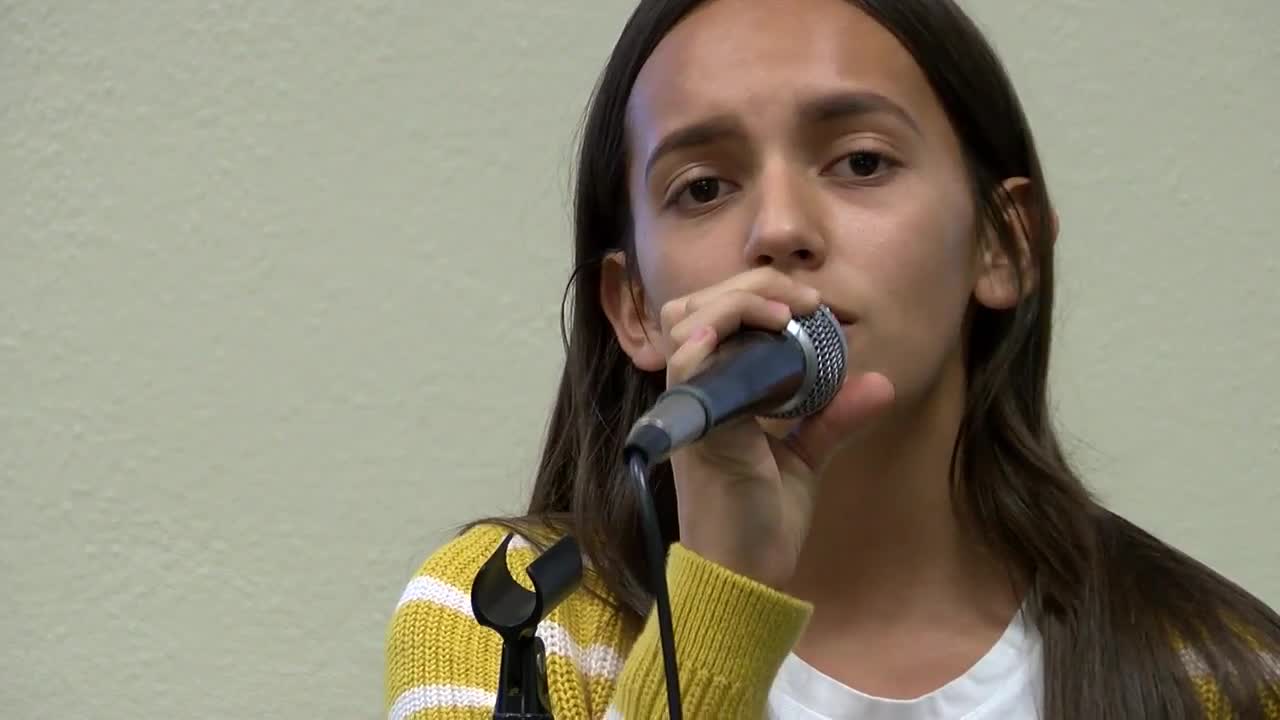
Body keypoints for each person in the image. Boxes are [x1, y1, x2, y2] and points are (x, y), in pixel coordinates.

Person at [385, 0, 1280, 717]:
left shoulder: (1223, 674)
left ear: (1002, 245)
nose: (778, 229)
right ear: (635, 309)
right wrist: (716, 598)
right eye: (703, 187)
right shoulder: (511, 615)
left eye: (859, 162)